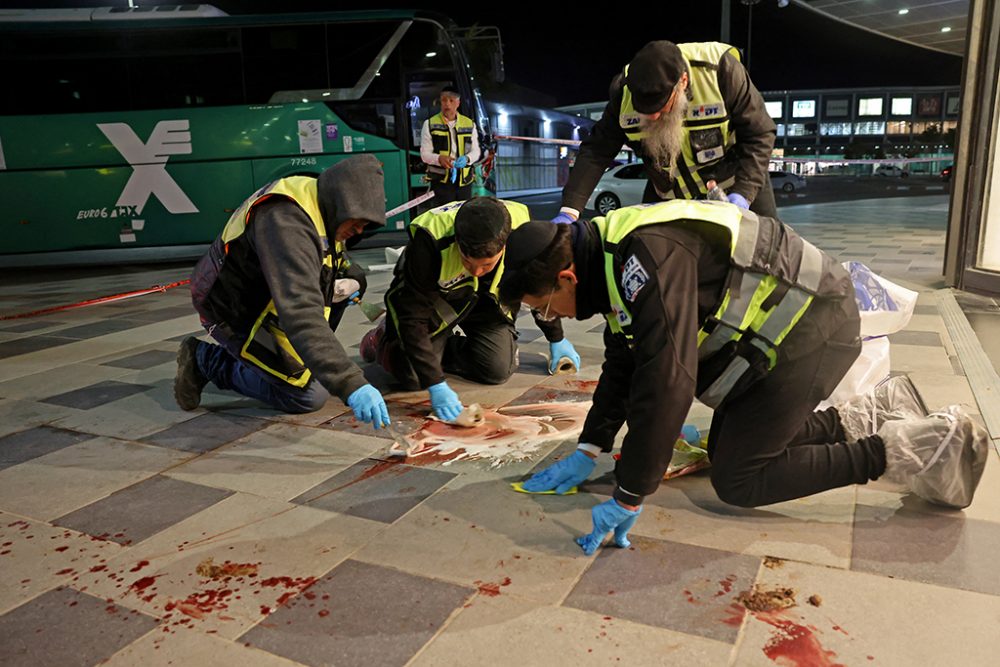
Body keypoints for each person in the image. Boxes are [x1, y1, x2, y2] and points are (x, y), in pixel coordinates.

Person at [499, 201, 988, 554]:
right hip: (784, 335)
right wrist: (591, 446)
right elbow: (626, 357)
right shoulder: (608, 253)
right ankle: (863, 416)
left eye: (542, 307)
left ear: (567, 278)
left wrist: (630, 493)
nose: (551, 316)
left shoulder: (643, 258)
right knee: (729, 447)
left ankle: (905, 450)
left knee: (739, 477)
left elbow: (667, 378)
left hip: (814, 329)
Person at [174, 155, 391, 429]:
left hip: (269, 302)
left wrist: (353, 278)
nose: (359, 230)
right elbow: (300, 312)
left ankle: (292, 362)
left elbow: (337, 261)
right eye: (357, 222)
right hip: (233, 310)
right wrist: (350, 383)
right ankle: (206, 361)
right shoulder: (286, 220)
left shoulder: (323, 205)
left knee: (320, 352)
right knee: (307, 396)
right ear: (343, 202)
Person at [360, 197, 580, 422]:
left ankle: (437, 350)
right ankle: (384, 338)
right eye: (467, 261)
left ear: (504, 246)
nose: (476, 272)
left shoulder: (521, 232)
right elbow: (412, 316)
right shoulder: (429, 240)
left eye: (487, 265)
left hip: (487, 305)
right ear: (457, 242)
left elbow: (536, 284)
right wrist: (435, 383)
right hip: (439, 301)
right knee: (413, 377)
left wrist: (556, 337)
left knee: (496, 370)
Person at [554, 40, 777, 224]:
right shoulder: (623, 92)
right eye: (643, 110)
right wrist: (570, 209)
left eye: (660, 106)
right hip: (669, 194)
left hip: (735, 184)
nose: (652, 117)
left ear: (683, 82)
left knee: (767, 251)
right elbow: (597, 150)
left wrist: (743, 194)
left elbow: (760, 133)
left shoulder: (720, 72)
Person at [420, 86, 481, 206]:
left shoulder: (469, 124)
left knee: (463, 216)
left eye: (451, 100)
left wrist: (467, 159)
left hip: (464, 182)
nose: (447, 104)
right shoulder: (430, 124)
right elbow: (424, 154)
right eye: (444, 100)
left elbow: (476, 151)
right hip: (441, 182)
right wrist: (439, 159)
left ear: (458, 103)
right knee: (442, 218)